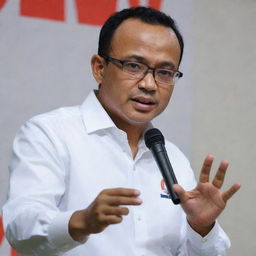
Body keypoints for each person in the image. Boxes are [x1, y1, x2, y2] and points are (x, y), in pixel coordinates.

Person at [2, 6, 240, 256]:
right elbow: (21, 229)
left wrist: (201, 227)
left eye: (164, 72)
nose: (149, 84)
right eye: (134, 66)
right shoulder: (50, 134)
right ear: (99, 68)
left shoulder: (174, 159)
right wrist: (80, 222)